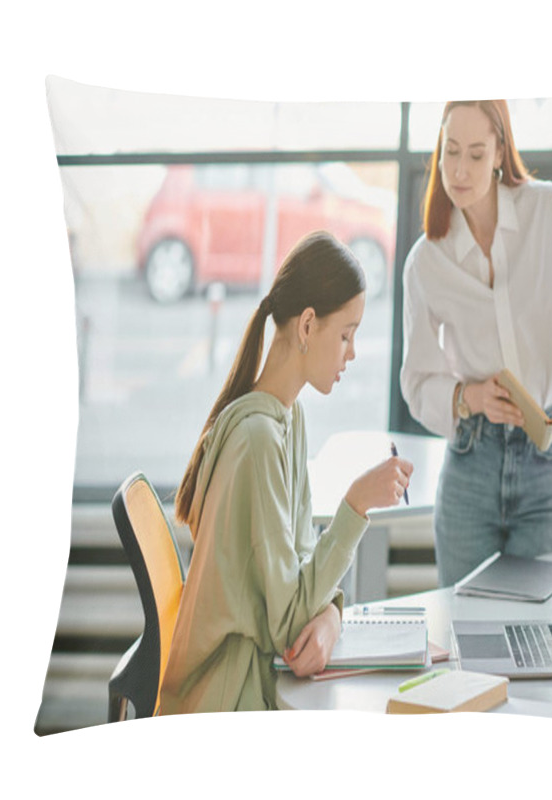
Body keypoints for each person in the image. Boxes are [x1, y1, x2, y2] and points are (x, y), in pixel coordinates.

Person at [159, 231, 412, 714]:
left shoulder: (287, 418)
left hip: (256, 676)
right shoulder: (257, 440)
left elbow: (298, 575)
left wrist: (333, 616)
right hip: (230, 697)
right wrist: (355, 506)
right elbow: (290, 622)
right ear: (308, 325)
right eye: (346, 335)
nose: (351, 353)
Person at [400, 100, 552, 587]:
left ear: (500, 153)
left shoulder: (546, 209)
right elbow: (417, 381)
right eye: (450, 151)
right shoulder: (426, 261)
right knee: (467, 638)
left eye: (476, 154)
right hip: (472, 462)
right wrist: (470, 397)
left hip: (547, 460)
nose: (459, 169)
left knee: (543, 632)